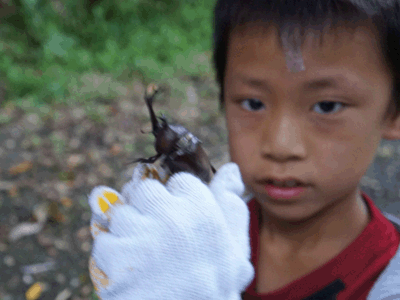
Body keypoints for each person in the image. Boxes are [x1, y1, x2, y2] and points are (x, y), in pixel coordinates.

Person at [88, 0, 400, 299]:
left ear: (394, 112)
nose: (281, 146)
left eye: (327, 106)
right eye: (253, 103)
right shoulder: (201, 232)